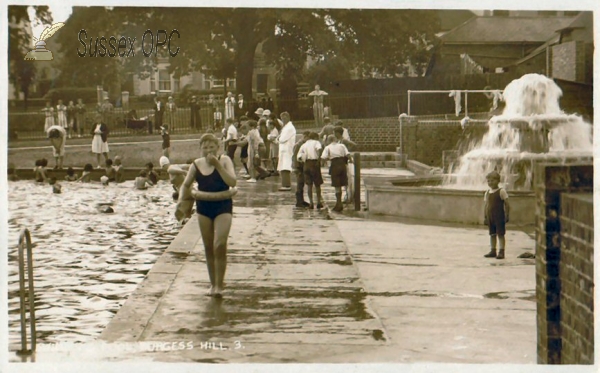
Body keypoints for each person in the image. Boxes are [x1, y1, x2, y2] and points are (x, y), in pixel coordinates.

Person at [179, 133, 237, 298]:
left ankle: (220, 283)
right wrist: (181, 201)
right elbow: (186, 184)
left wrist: (218, 165)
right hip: (204, 206)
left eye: (211, 147)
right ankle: (213, 285)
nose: (208, 150)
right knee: (208, 247)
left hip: (223, 204)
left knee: (220, 244)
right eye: (205, 147)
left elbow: (232, 182)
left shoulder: (225, 160)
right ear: (200, 149)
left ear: (218, 148)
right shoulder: (196, 164)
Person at [483, 171, 510, 260]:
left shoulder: (501, 191)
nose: (490, 183)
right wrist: (485, 216)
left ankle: (501, 251)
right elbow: (486, 205)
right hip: (490, 216)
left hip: (499, 216)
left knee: (500, 234)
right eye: (488, 181)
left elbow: (507, 204)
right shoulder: (487, 192)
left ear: (498, 181)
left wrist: (507, 214)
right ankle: (493, 250)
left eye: (492, 180)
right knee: (492, 234)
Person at [321, 134, 351, 212]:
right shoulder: (342, 146)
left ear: (329, 140)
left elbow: (323, 157)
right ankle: (343, 200)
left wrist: (322, 164)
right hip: (342, 164)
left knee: (337, 185)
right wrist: (351, 161)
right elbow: (348, 155)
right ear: (335, 139)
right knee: (343, 183)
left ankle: (339, 203)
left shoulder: (328, 147)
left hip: (334, 165)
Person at [297, 132, 324, 209]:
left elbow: (299, 157)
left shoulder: (304, 145)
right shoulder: (316, 142)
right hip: (314, 163)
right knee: (317, 184)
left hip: (306, 164)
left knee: (309, 185)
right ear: (315, 137)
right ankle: (319, 202)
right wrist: (319, 159)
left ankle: (311, 203)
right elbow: (319, 149)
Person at [276, 111, 296, 191]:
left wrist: (277, 139)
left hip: (287, 149)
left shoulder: (289, 127)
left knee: (286, 167)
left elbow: (282, 139)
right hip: (283, 149)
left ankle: (286, 185)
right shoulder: (286, 127)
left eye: (284, 118)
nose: (283, 120)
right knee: (282, 167)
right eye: (282, 118)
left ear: (288, 117)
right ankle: (284, 184)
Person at [292, 131, 311, 207]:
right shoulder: (298, 145)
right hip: (298, 167)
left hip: (301, 166)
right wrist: (296, 167)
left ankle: (301, 200)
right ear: (305, 137)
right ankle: (299, 201)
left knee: (301, 183)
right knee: (300, 183)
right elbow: (295, 157)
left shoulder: (302, 144)